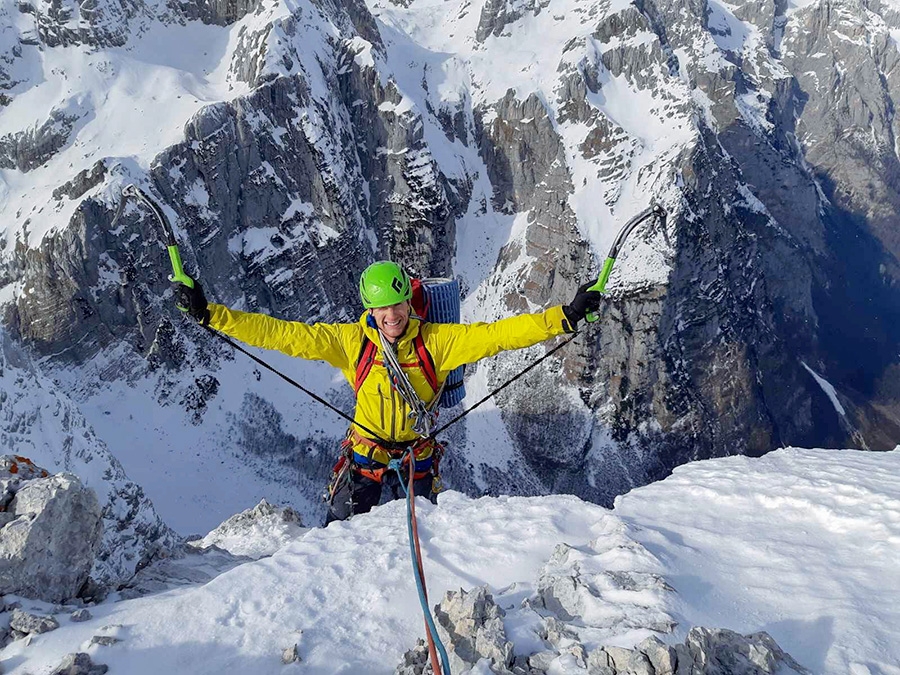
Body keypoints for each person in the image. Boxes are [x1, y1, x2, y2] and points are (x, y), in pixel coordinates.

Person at [173, 261, 603, 524]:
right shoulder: (350, 342)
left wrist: (563, 317)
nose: (392, 315)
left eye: (398, 305)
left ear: (409, 304)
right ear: (370, 309)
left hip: (415, 458)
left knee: (420, 546)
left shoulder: (437, 341)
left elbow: (497, 335)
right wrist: (212, 315)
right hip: (366, 460)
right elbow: (283, 334)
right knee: (339, 544)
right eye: (383, 308)